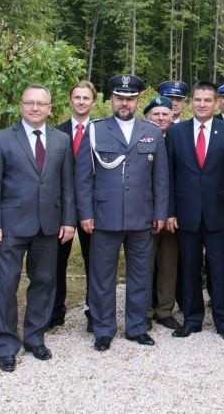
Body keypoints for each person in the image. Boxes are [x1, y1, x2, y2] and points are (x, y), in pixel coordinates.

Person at [0, 84, 75, 372]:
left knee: (44, 283)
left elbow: (67, 186)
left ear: (49, 107)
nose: (35, 108)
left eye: (41, 104)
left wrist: (68, 220)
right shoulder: (2, 140)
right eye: (30, 103)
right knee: (7, 286)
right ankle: (6, 345)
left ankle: (35, 338)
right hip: (11, 226)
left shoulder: (61, 140)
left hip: (48, 226)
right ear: (21, 105)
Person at [75, 74, 169, 352]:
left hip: (142, 216)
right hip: (104, 216)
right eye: (119, 97)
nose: (124, 102)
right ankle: (104, 328)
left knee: (140, 275)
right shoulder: (95, 130)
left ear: (138, 100)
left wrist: (161, 212)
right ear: (111, 99)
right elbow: (83, 178)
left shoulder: (151, 131)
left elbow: (161, 179)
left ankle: (137, 326)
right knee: (102, 276)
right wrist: (85, 213)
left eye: (129, 98)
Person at [165, 81, 224, 343]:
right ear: (191, 102)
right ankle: (192, 319)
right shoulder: (177, 133)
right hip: (186, 214)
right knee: (188, 269)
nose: (202, 104)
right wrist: (170, 211)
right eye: (198, 100)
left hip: (220, 213)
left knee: (220, 269)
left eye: (207, 100)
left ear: (216, 103)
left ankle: (223, 320)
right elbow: (169, 176)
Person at [50, 80, 96, 333]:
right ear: (70, 100)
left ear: (93, 102)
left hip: (92, 209)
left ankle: (93, 312)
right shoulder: (56, 133)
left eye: (85, 98)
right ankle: (55, 312)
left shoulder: (101, 131)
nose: (81, 101)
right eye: (77, 97)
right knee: (57, 262)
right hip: (62, 209)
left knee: (94, 261)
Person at [142, 95, 182, 330]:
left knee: (169, 264)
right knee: (144, 264)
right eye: (155, 114)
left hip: (172, 214)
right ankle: (144, 310)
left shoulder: (177, 139)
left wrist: (171, 212)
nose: (160, 118)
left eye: (164, 114)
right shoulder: (140, 137)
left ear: (171, 116)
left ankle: (165, 309)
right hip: (145, 212)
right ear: (147, 117)